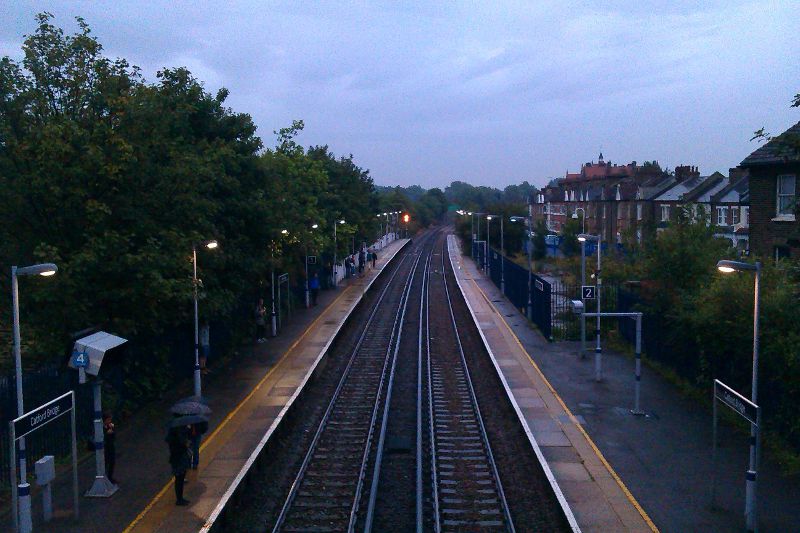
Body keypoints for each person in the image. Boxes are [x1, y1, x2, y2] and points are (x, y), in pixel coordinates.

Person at [167, 425, 191, 506]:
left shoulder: (171, 434)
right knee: (179, 479)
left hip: (175, 458)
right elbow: (182, 443)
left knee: (179, 479)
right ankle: (179, 499)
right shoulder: (179, 433)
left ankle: (180, 498)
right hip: (179, 458)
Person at [103, 412, 117, 485]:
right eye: (108, 419)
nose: (110, 421)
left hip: (111, 446)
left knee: (112, 462)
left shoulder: (110, 426)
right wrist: (107, 433)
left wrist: (112, 430)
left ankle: (110, 477)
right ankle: (104, 477)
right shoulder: (102, 428)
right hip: (105, 447)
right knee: (106, 462)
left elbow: (114, 436)